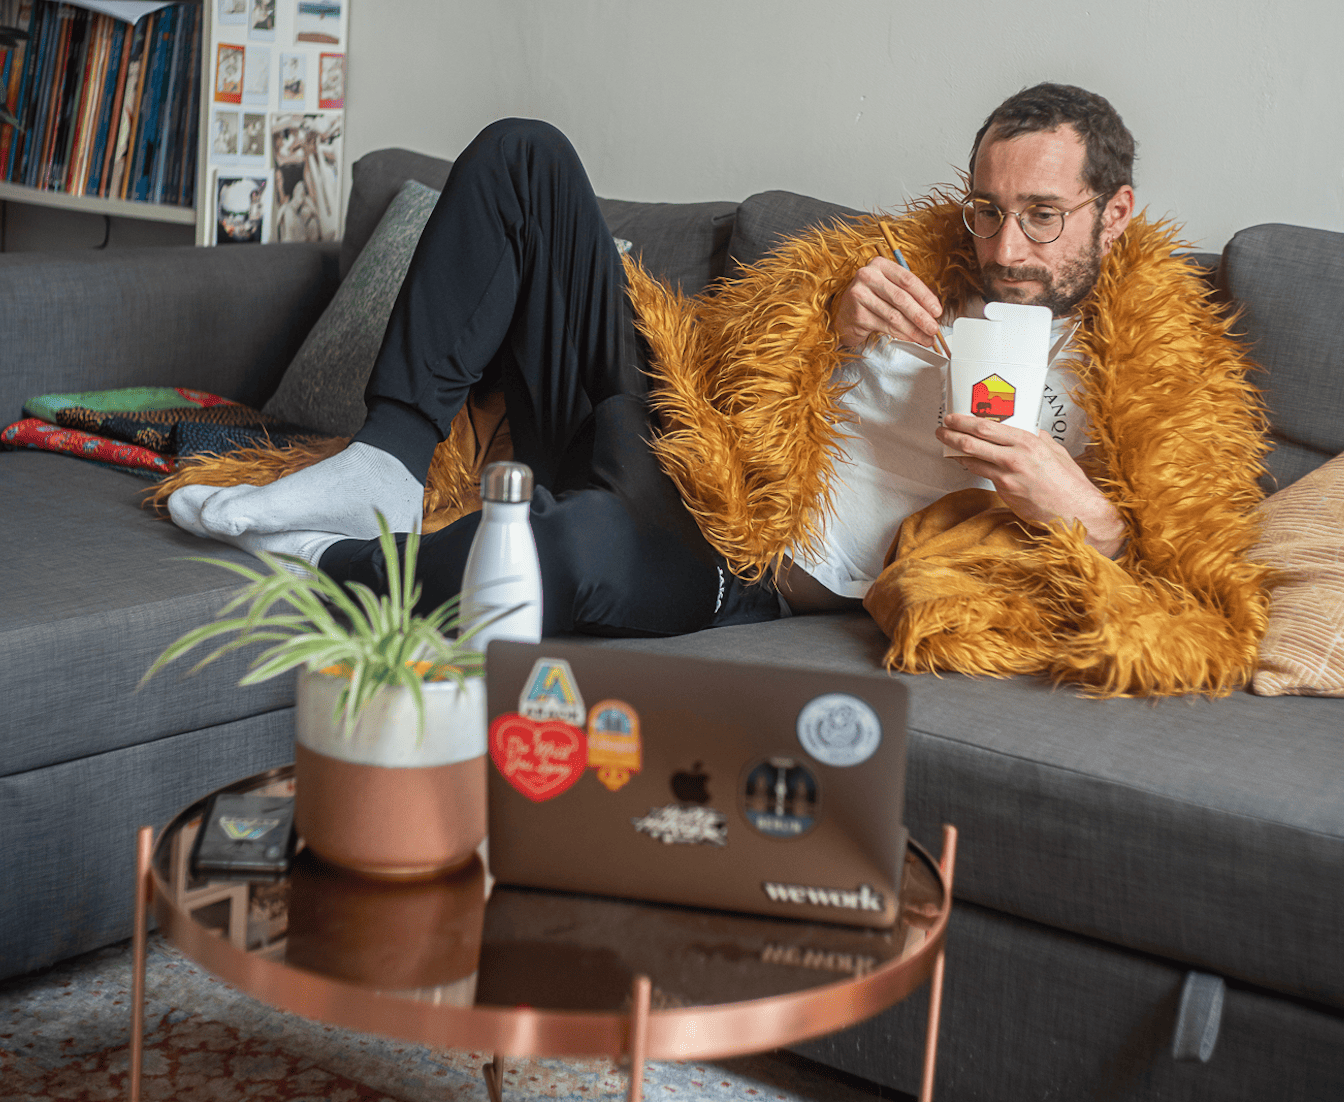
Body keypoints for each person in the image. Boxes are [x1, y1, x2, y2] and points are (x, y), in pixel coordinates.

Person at [165, 84, 1268, 693]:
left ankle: (337, 562)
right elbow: (739, 353)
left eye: (1042, 216)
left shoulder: (1163, 379)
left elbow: (1203, 610)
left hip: (734, 557)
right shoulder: (904, 264)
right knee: (522, 154)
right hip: (680, 423)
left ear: (1114, 215)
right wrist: (830, 325)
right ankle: (385, 464)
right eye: (987, 209)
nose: (1005, 245)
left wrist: (1085, 515)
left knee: (574, 554)